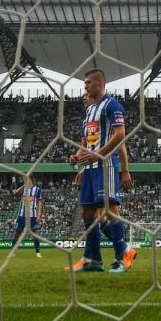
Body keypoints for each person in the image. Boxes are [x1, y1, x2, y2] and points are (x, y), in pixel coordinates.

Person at [68, 88, 136, 271]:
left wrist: (125, 170)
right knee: (90, 214)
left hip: (105, 166)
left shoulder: (108, 110)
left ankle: (121, 255)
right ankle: (95, 259)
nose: (83, 97)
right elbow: (87, 145)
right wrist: (79, 161)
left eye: (86, 95)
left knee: (106, 212)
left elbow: (120, 145)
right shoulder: (88, 118)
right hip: (91, 168)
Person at [13, 176, 43, 257]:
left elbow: (39, 202)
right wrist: (23, 186)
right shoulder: (23, 189)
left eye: (26, 179)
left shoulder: (37, 189)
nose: (24, 180)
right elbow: (15, 193)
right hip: (21, 214)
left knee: (35, 233)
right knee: (17, 233)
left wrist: (39, 214)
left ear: (30, 179)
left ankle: (37, 252)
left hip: (32, 215)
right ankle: (13, 252)